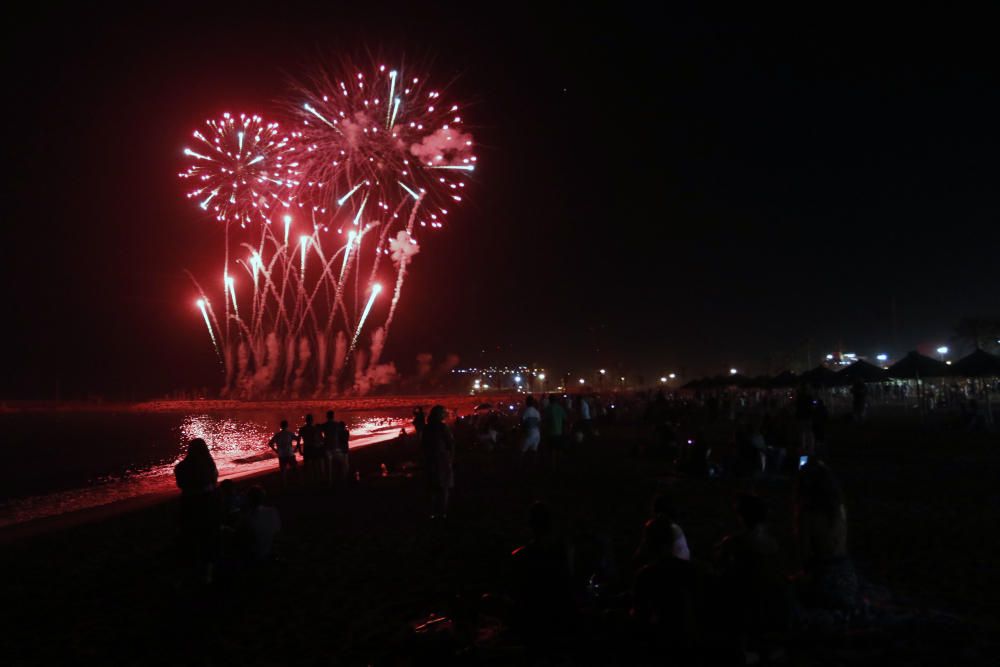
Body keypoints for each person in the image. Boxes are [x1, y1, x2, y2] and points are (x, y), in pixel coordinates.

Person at [794, 461, 858, 613]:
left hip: (824, 580)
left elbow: (804, 557)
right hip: (847, 576)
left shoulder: (807, 515)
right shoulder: (839, 509)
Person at [174, 438, 220, 583]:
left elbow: (180, 484)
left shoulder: (181, 467)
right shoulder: (209, 464)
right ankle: (208, 573)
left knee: (190, 535)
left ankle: (191, 570)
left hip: (188, 503)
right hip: (207, 503)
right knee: (208, 537)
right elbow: (214, 482)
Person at [421, 405, 454, 519]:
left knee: (432, 487)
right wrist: (450, 458)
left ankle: (432, 512)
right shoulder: (443, 427)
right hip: (442, 459)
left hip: (430, 460)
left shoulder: (427, 428)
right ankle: (442, 512)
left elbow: (423, 445)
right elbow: (450, 444)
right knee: (443, 487)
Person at [235, 485, 281, 564]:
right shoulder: (273, 511)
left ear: (248, 500)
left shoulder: (247, 518)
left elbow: (238, 536)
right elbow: (277, 530)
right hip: (270, 550)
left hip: (253, 555)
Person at [267, 420, 300, 487]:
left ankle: (284, 486)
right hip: (290, 454)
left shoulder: (277, 435)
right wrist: (296, 448)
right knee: (294, 470)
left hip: (282, 455)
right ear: (287, 425)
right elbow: (298, 439)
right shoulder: (289, 433)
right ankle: (296, 484)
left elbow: (270, 443)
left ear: (281, 426)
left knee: (283, 472)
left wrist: (276, 450)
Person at [320, 410, 350, 483]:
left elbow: (318, 432)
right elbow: (343, 434)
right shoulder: (337, 425)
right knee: (342, 465)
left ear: (327, 416)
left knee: (329, 468)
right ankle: (342, 480)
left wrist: (323, 440)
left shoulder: (324, 425)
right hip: (336, 448)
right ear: (333, 416)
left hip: (327, 448)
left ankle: (329, 483)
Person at [542, 394, 568, 469]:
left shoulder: (547, 409)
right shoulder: (560, 408)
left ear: (549, 400)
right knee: (559, 450)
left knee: (551, 451)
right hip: (559, 432)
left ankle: (552, 467)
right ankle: (559, 466)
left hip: (550, 432)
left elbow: (544, 420)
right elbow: (565, 419)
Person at [298, 414, 323, 483]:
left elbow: (298, 440)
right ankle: (316, 480)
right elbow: (320, 439)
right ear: (312, 420)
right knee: (315, 465)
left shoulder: (302, 429)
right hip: (314, 448)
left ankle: (308, 481)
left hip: (306, 449)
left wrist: (300, 450)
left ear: (306, 420)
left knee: (307, 465)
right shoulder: (315, 428)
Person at [520, 396, 541, 465]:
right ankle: (533, 466)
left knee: (522, 451)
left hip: (529, 432)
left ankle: (521, 466)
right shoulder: (536, 412)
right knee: (534, 451)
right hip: (537, 433)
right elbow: (539, 423)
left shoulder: (525, 411)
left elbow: (522, 423)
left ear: (527, 402)